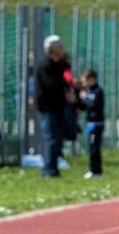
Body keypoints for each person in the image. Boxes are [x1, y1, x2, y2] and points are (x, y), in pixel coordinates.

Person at [32, 35, 74, 178]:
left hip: (58, 107)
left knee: (58, 139)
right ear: (52, 49)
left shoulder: (59, 65)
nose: (63, 49)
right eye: (60, 46)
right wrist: (64, 91)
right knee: (52, 139)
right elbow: (51, 85)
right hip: (47, 108)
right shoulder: (45, 66)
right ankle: (49, 170)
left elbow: (68, 77)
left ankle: (53, 167)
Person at [76, 67, 105, 179]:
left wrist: (84, 97)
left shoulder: (98, 91)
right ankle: (93, 170)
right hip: (90, 123)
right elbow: (85, 106)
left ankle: (96, 171)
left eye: (85, 80)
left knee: (95, 149)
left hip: (97, 123)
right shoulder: (89, 92)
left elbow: (93, 104)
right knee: (91, 148)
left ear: (91, 79)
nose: (84, 83)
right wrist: (78, 101)